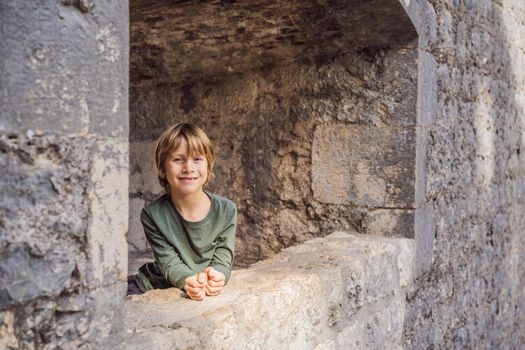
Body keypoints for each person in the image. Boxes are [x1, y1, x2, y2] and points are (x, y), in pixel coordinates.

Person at [127, 122, 237, 301]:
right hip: (152, 284)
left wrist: (218, 276)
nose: (188, 168)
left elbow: (223, 258)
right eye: (178, 159)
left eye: (197, 159)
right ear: (163, 168)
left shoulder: (226, 210)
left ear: (209, 166)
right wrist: (189, 281)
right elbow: (169, 262)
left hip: (203, 284)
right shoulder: (152, 214)